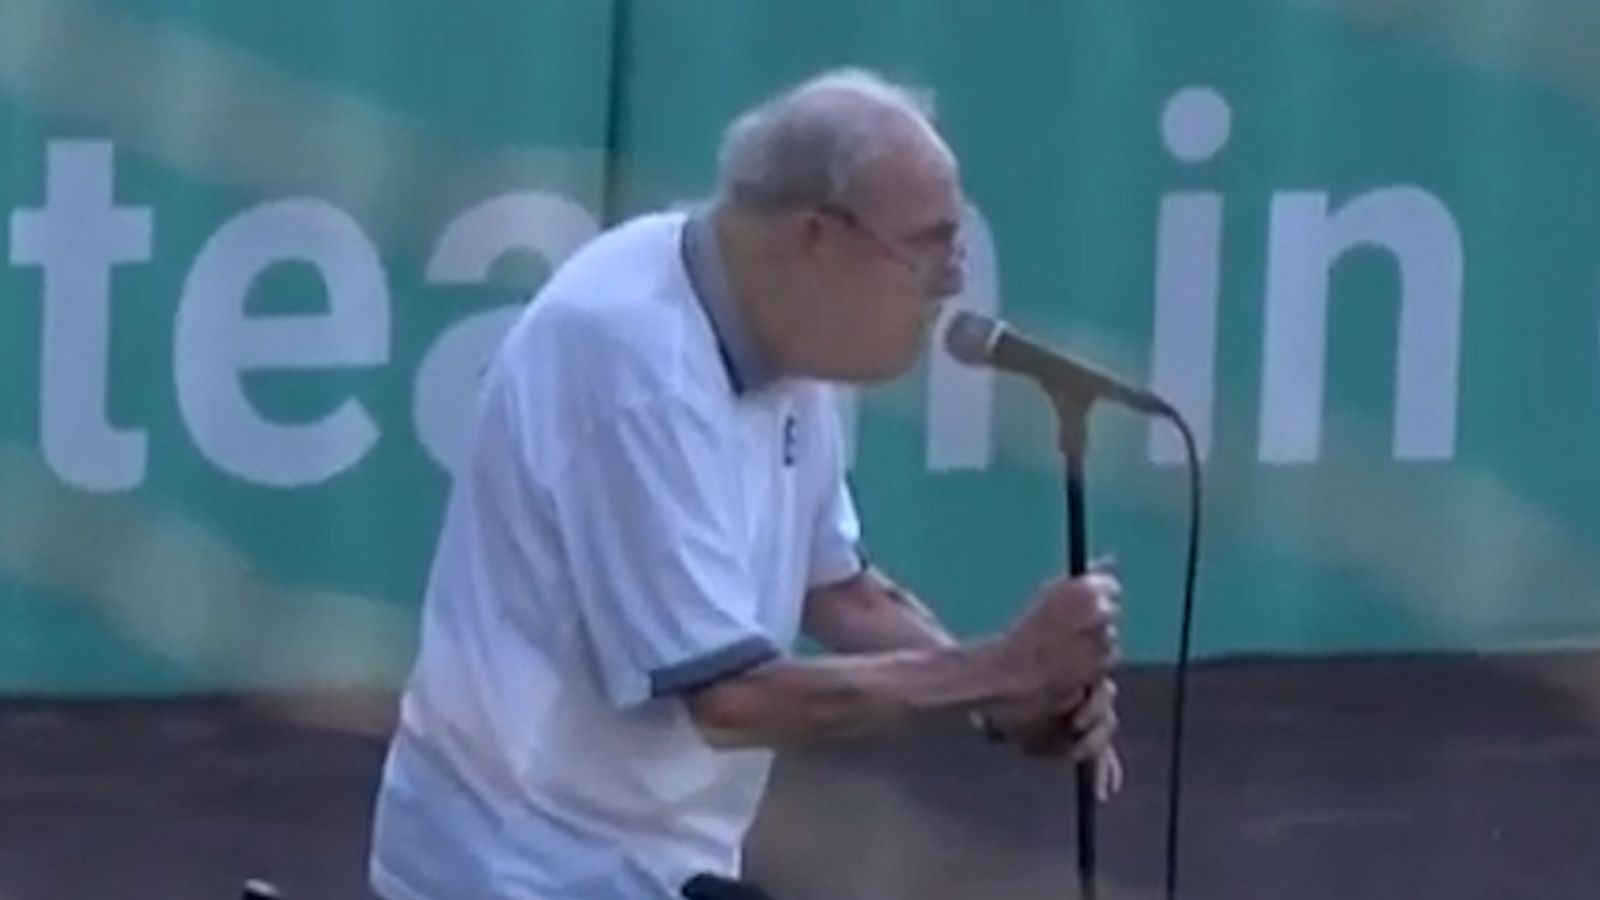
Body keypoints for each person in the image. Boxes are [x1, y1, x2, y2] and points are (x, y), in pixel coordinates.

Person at [367, 67, 1124, 900]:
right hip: (523, 871)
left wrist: (1006, 702)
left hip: (653, 864)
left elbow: (841, 592)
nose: (951, 283)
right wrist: (998, 669)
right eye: (929, 247)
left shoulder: (785, 328)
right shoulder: (632, 366)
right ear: (815, 239)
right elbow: (730, 698)